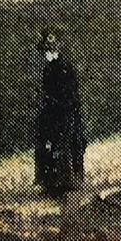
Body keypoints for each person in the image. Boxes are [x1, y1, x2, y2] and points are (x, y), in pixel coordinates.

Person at [34, 28, 86, 198]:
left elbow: (70, 96)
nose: (47, 54)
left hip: (65, 113)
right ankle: (49, 181)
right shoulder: (48, 69)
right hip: (52, 113)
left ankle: (68, 182)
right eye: (45, 51)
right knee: (46, 142)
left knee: (65, 144)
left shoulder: (65, 69)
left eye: (49, 51)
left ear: (55, 50)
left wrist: (59, 107)